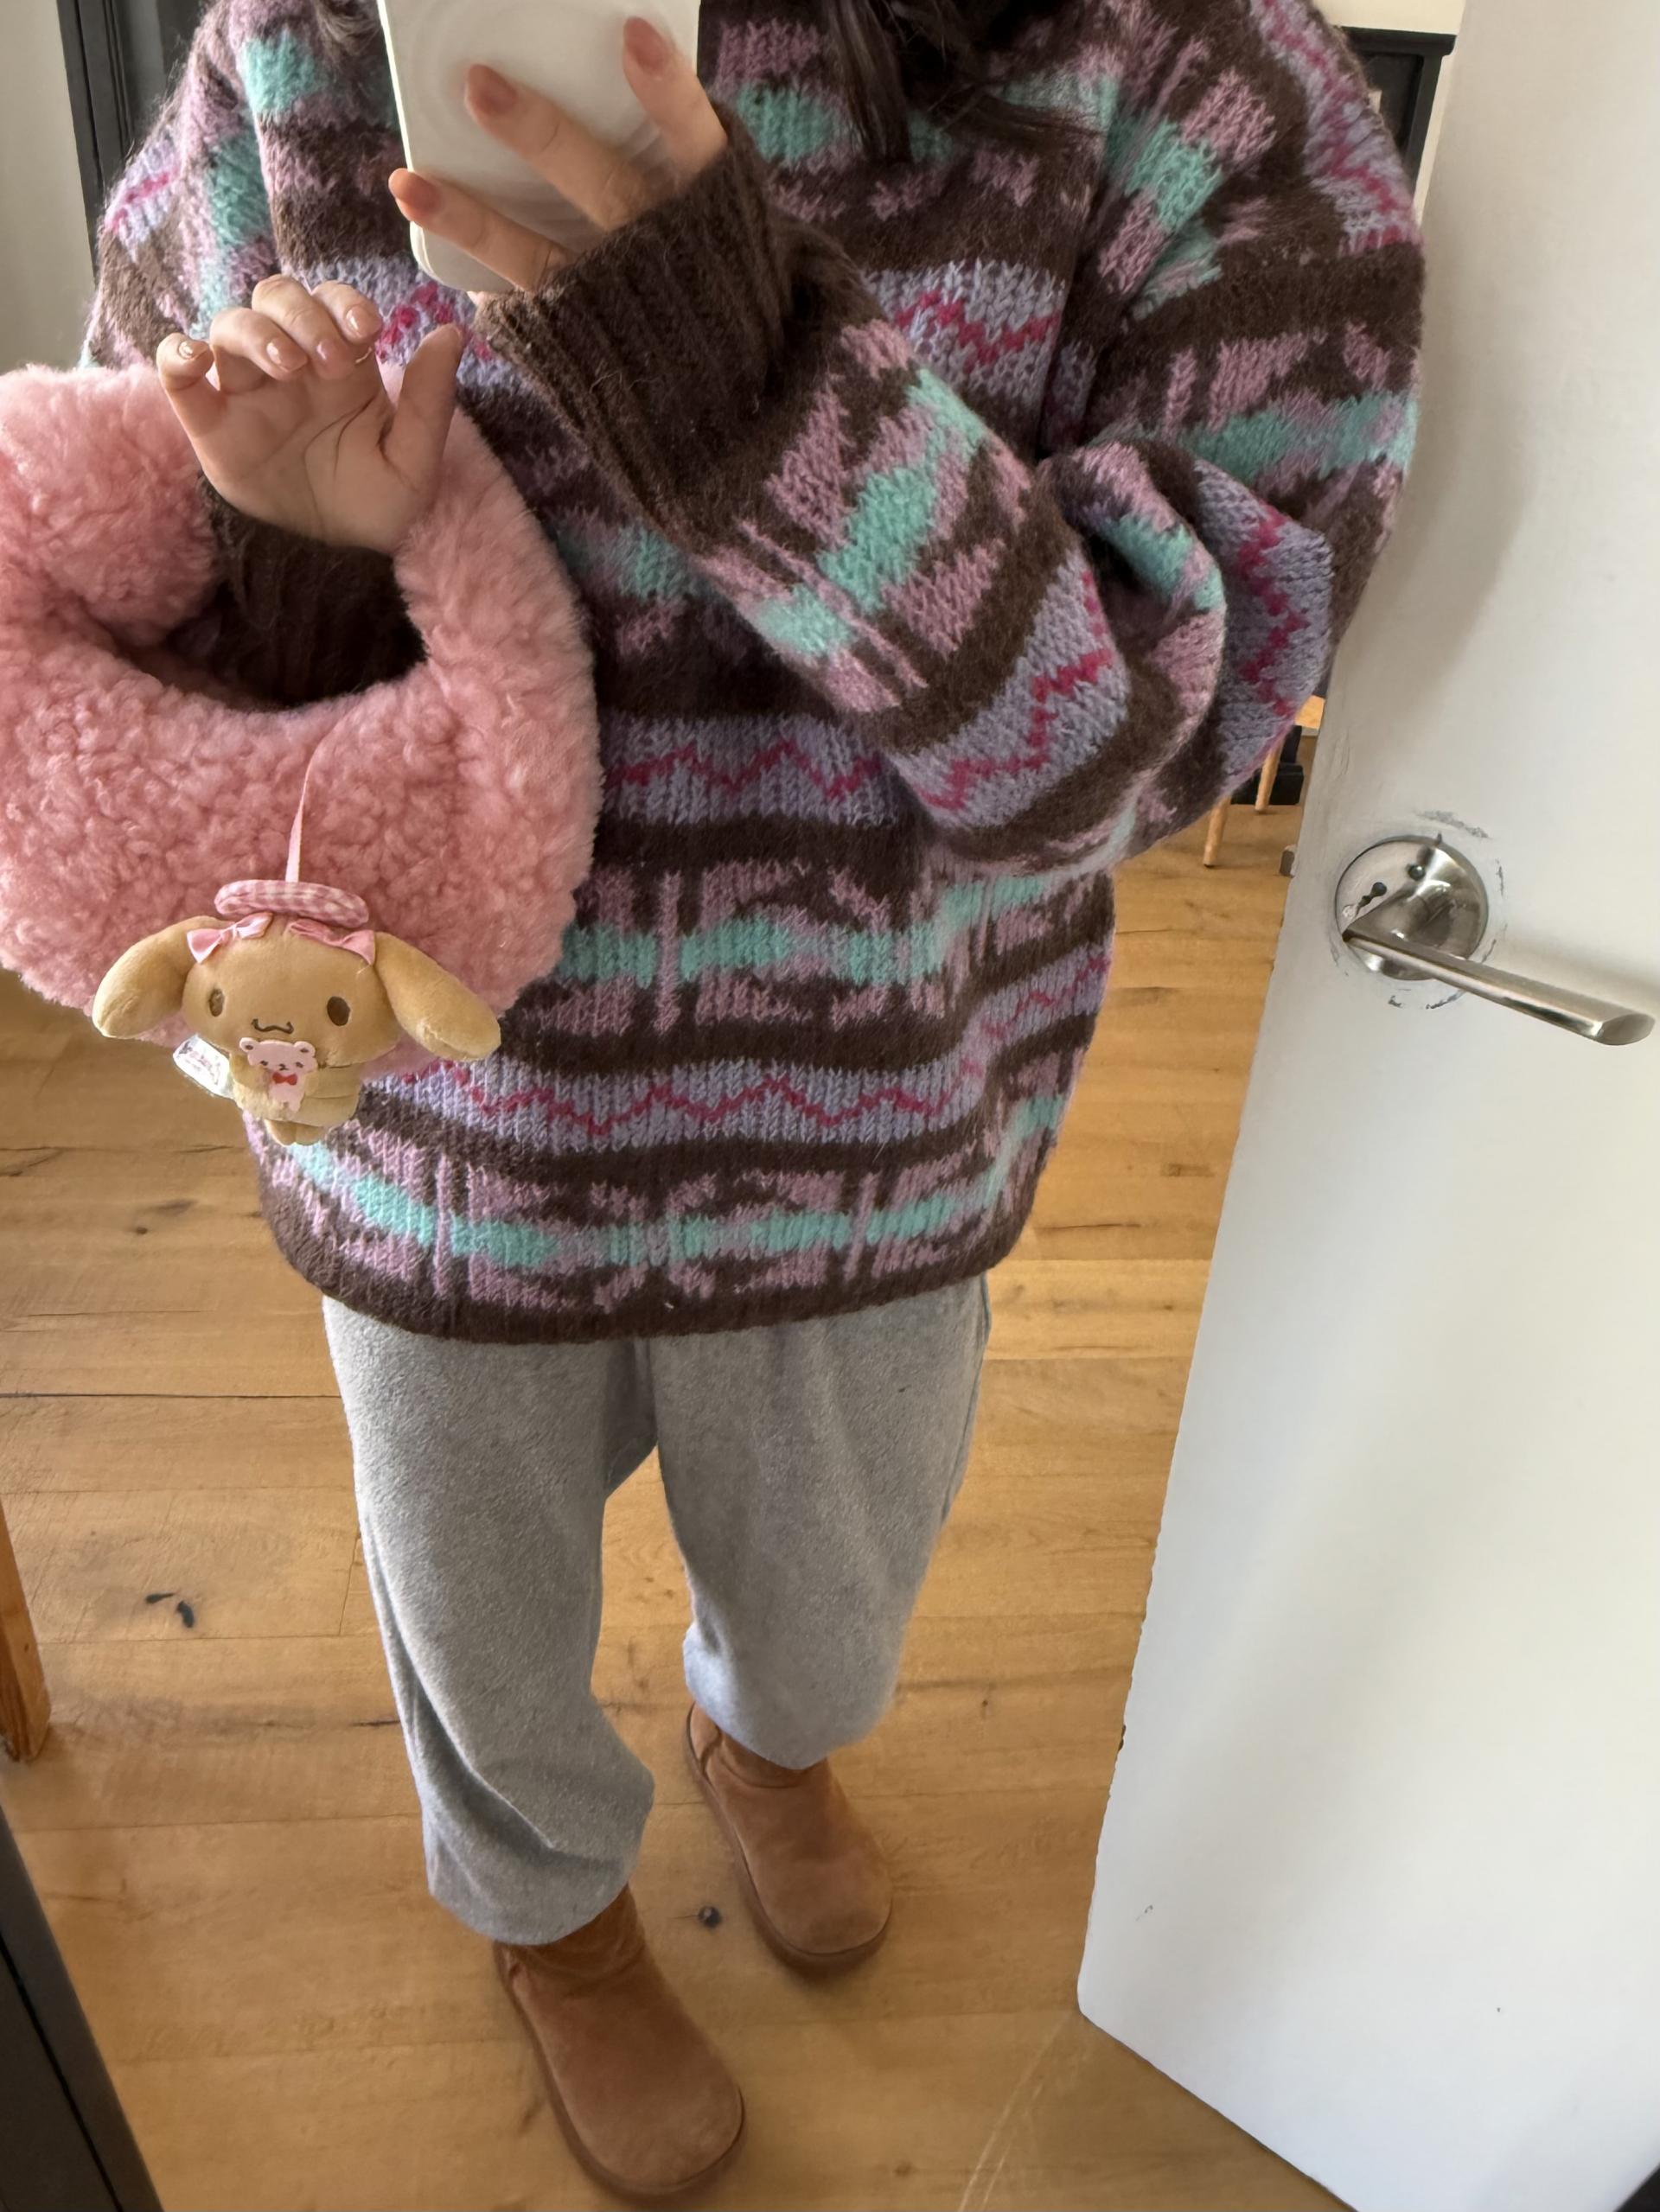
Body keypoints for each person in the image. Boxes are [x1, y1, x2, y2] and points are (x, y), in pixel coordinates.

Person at [86, 0, 1423, 2193]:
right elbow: (118, 609)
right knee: (476, 1615)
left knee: (832, 1596)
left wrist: (758, 389)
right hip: (440, 1121)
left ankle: (770, 1744)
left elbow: (1153, 738)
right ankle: (553, 1918)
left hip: (878, 1115)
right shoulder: (299, 45)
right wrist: (304, 541)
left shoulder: (1195, 80)